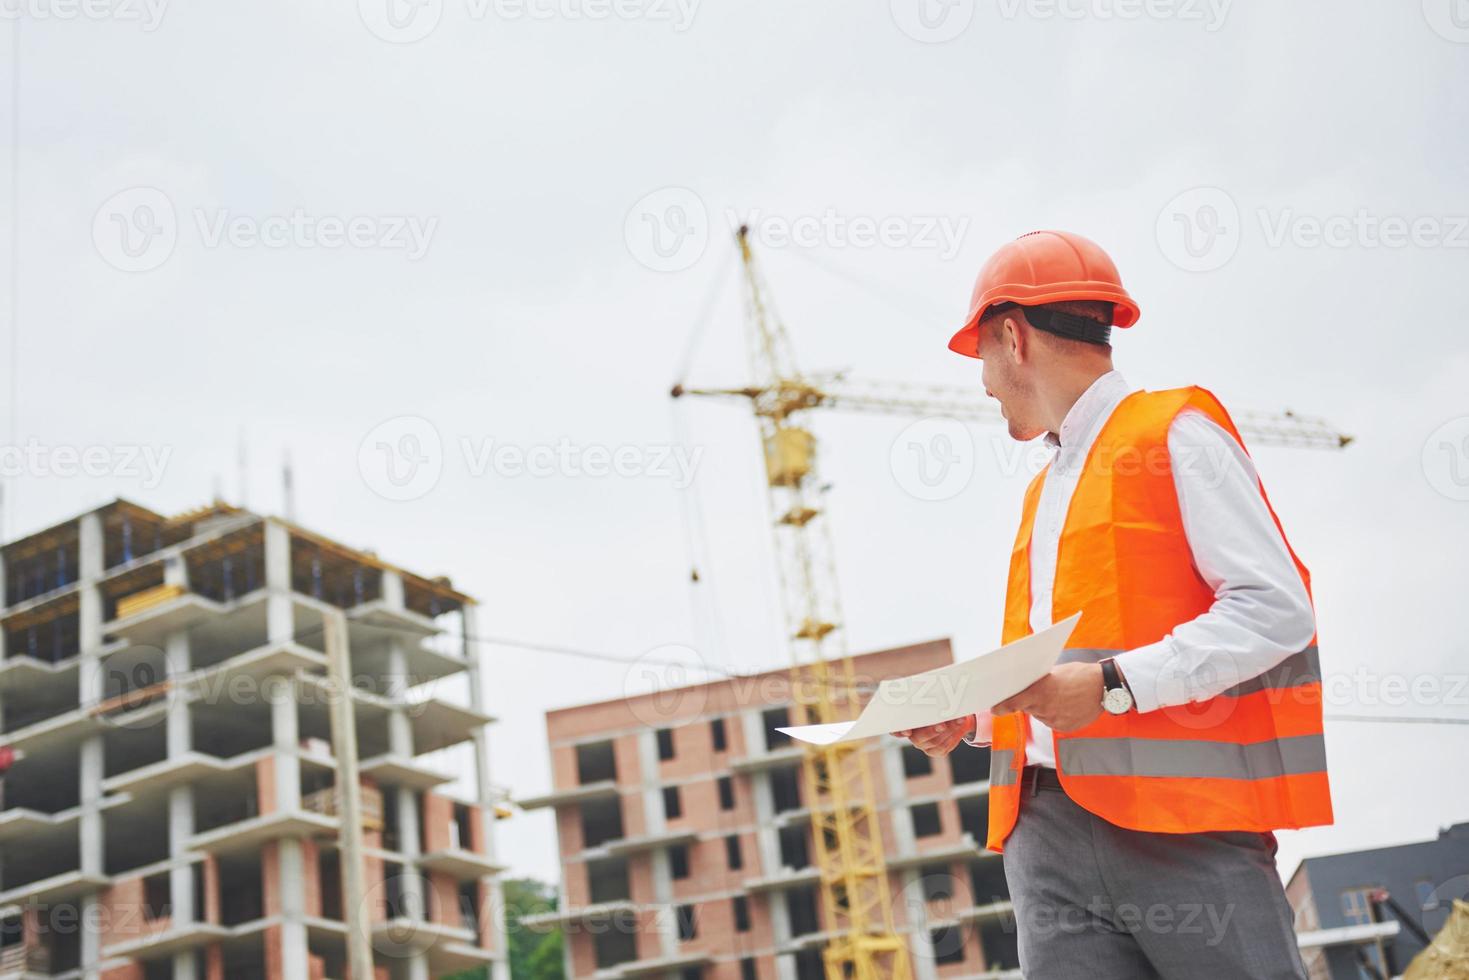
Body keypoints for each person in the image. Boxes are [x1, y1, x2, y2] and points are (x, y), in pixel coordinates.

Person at [899, 230, 1332, 979]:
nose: (983, 382)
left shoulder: (1174, 433)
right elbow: (1060, 661)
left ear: (1012, 336)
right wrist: (975, 718)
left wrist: (1109, 686)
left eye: (981, 357)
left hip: (1180, 828)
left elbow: (1273, 609)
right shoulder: (1047, 483)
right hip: (1043, 831)